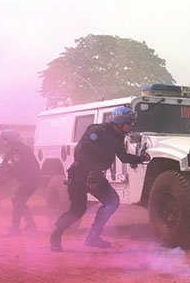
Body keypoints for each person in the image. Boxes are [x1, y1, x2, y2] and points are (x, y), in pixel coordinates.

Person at [50, 106, 149, 252]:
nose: (131, 126)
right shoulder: (97, 132)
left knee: (112, 201)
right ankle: (55, 237)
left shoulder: (118, 136)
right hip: (79, 175)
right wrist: (91, 174)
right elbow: (81, 154)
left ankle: (93, 237)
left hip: (95, 175)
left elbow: (123, 156)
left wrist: (142, 158)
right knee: (77, 211)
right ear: (119, 123)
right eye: (129, 123)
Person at [0, 129, 40, 237]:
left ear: (9, 139)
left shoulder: (19, 150)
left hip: (30, 180)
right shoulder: (14, 149)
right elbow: (5, 165)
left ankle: (15, 229)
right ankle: (30, 224)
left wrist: (3, 181)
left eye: (4, 140)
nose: (3, 142)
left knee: (18, 199)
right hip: (29, 179)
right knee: (17, 200)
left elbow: (18, 170)